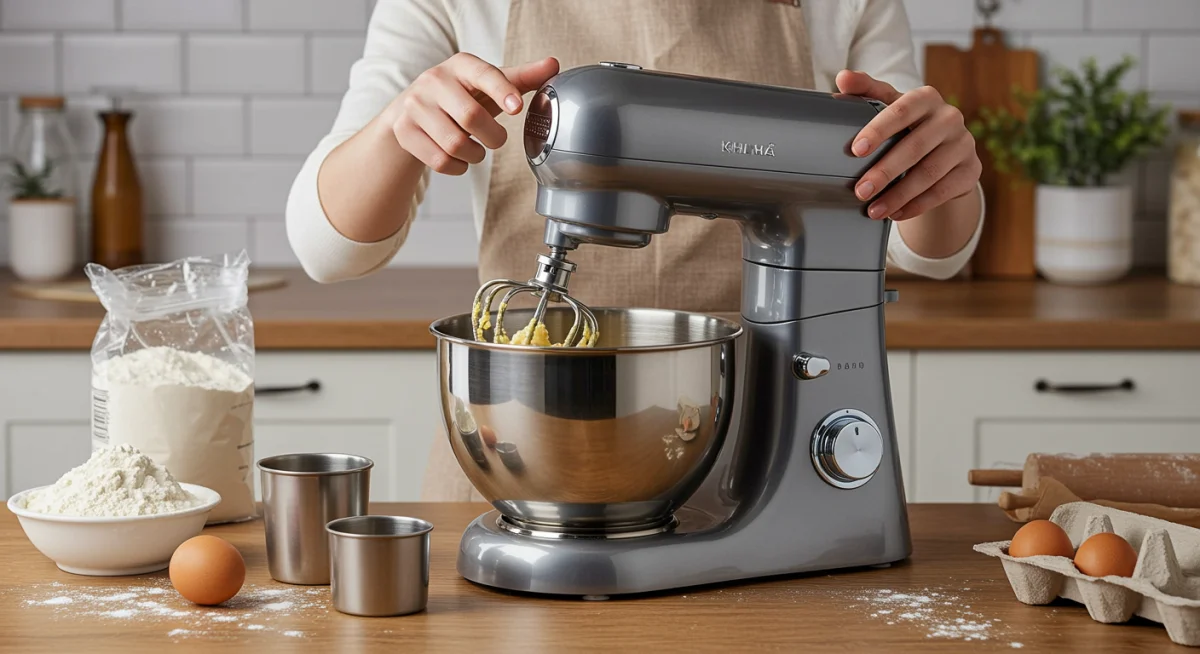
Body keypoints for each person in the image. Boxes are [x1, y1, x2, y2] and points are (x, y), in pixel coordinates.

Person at [286, 0, 985, 501]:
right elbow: (328, 249)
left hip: (746, 442)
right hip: (515, 450)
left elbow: (931, 253)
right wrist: (395, 128)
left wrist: (938, 166)